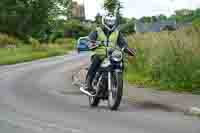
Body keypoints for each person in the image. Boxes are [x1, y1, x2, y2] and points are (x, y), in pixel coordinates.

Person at [82, 13, 134, 96]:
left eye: (112, 21)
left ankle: (116, 81)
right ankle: (88, 84)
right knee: (95, 62)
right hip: (99, 54)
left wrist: (127, 50)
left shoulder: (117, 32)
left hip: (111, 55)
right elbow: (89, 40)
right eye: (108, 21)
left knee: (120, 63)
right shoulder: (97, 30)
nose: (110, 23)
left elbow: (122, 43)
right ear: (104, 21)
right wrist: (91, 44)